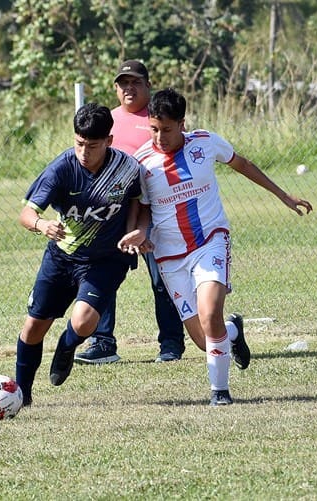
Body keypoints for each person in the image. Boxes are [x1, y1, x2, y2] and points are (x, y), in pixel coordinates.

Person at [119, 88, 313, 406]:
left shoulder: (205, 142)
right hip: (169, 256)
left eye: (166, 129)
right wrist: (136, 234)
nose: (159, 137)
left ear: (182, 124)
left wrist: (283, 195)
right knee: (202, 339)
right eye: (154, 128)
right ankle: (233, 331)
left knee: (210, 317)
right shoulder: (142, 162)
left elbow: (243, 164)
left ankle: (220, 394)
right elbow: (141, 209)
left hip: (210, 241)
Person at [14, 103, 142, 406]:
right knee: (33, 327)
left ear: (109, 141)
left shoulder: (127, 168)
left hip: (108, 258)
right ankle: (22, 394)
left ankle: (67, 346)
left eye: (92, 145)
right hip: (62, 257)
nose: (84, 151)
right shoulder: (61, 169)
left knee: (83, 322)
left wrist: (135, 229)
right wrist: (41, 224)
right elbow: (26, 214)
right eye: (79, 143)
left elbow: (138, 199)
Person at [74, 60, 188, 365]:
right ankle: (102, 343)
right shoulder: (107, 120)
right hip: (111, 215)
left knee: (162, 279)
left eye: (135, 82)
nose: (129, 88)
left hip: (155, 212)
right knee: (102, 278)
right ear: (115, 88)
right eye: (123, 83)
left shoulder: (157, 118)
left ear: (148, 86)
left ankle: (171, 344)